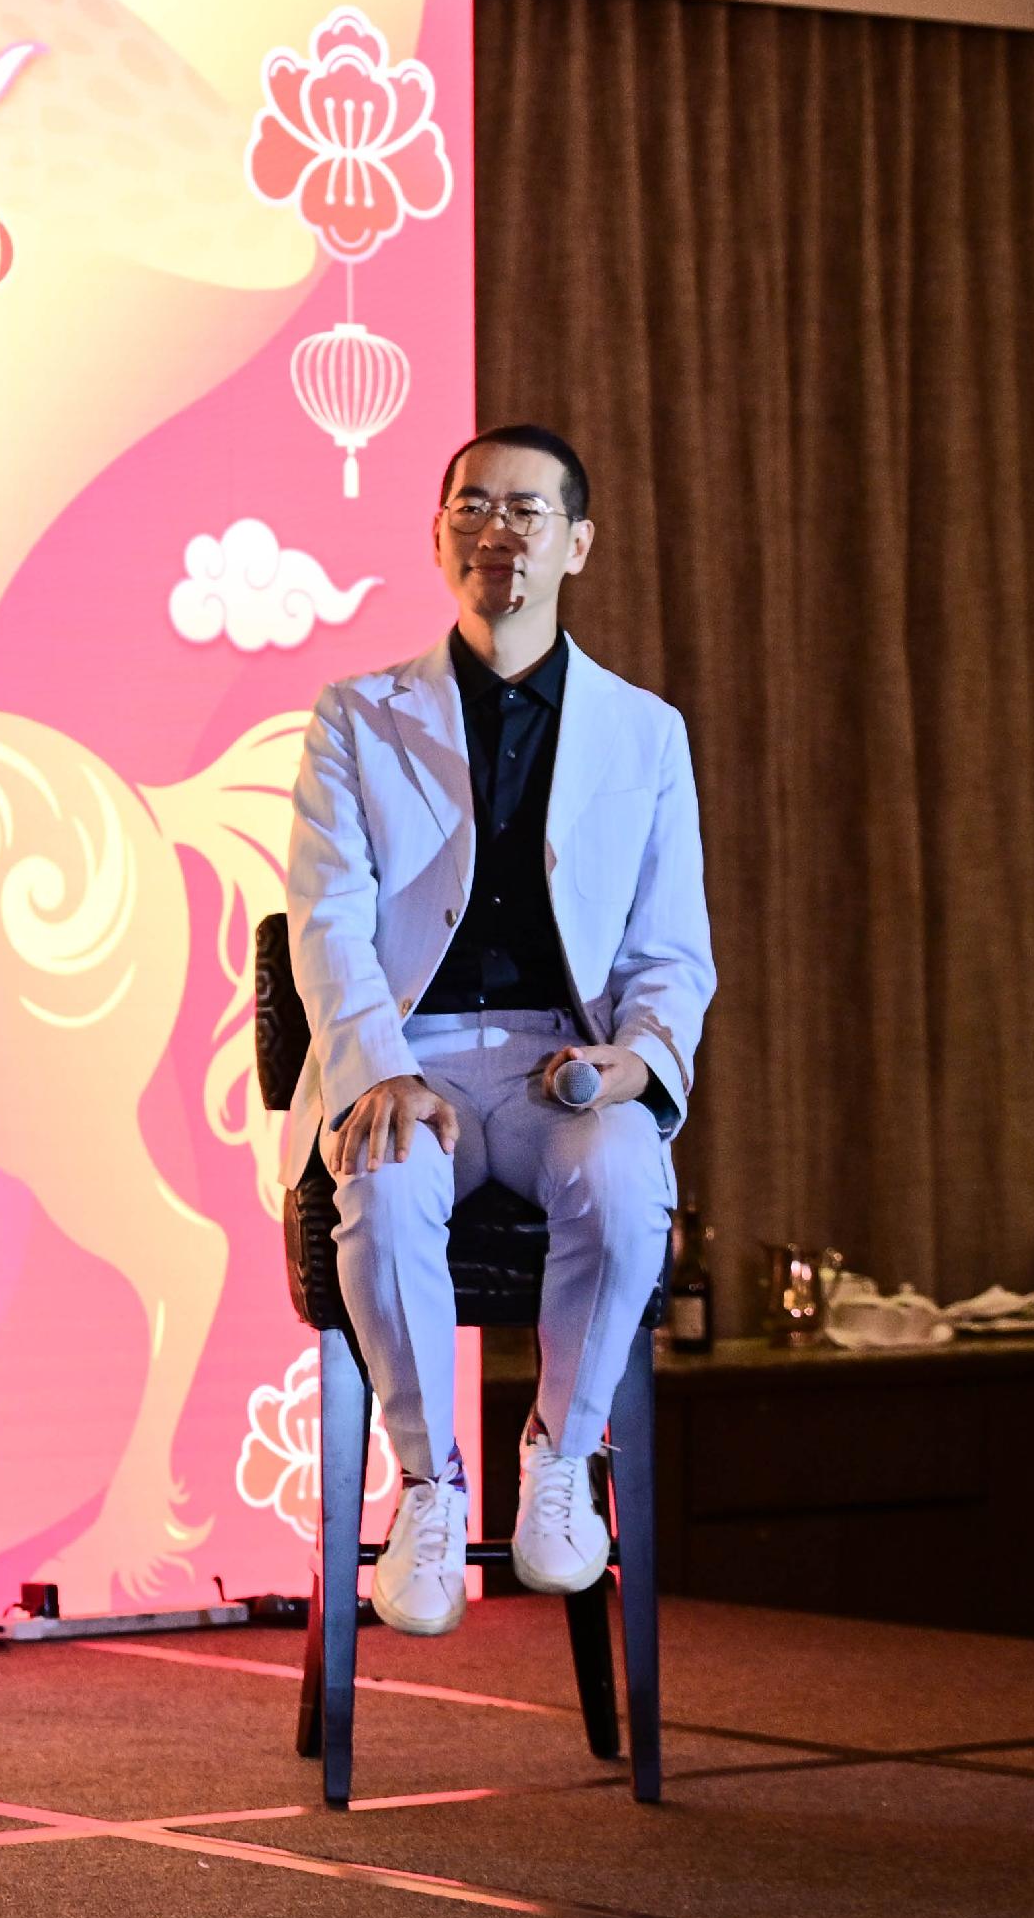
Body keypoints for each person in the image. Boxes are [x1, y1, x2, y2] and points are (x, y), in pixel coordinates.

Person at [282, 424, 717, 1638]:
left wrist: (640, 1054)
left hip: (554, 1065)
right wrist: (375, 1067)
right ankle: (428, 1485)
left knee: (628, 1182)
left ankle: (558, 1453)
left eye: (526, 511)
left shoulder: (645, 732)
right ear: (436, 537)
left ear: (575, 542)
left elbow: (669, 945)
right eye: (471, 507)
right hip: (412, 1052)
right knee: (383, 1176)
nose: (496, 531)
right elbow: (326, 918)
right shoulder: (358, 717)